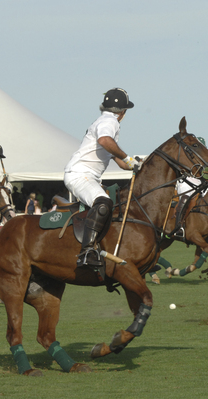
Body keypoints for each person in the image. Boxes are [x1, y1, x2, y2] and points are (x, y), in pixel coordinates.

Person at [64, 88, 140, 268]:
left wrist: (137, 164)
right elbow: (105, 141)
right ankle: (87, 252)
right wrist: (128, 158)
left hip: (87, 176)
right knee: (103, 202)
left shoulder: (104, 122)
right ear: (123, 112)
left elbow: (121, 162)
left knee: (115, 204)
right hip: (79, 174)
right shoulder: (109, 121)